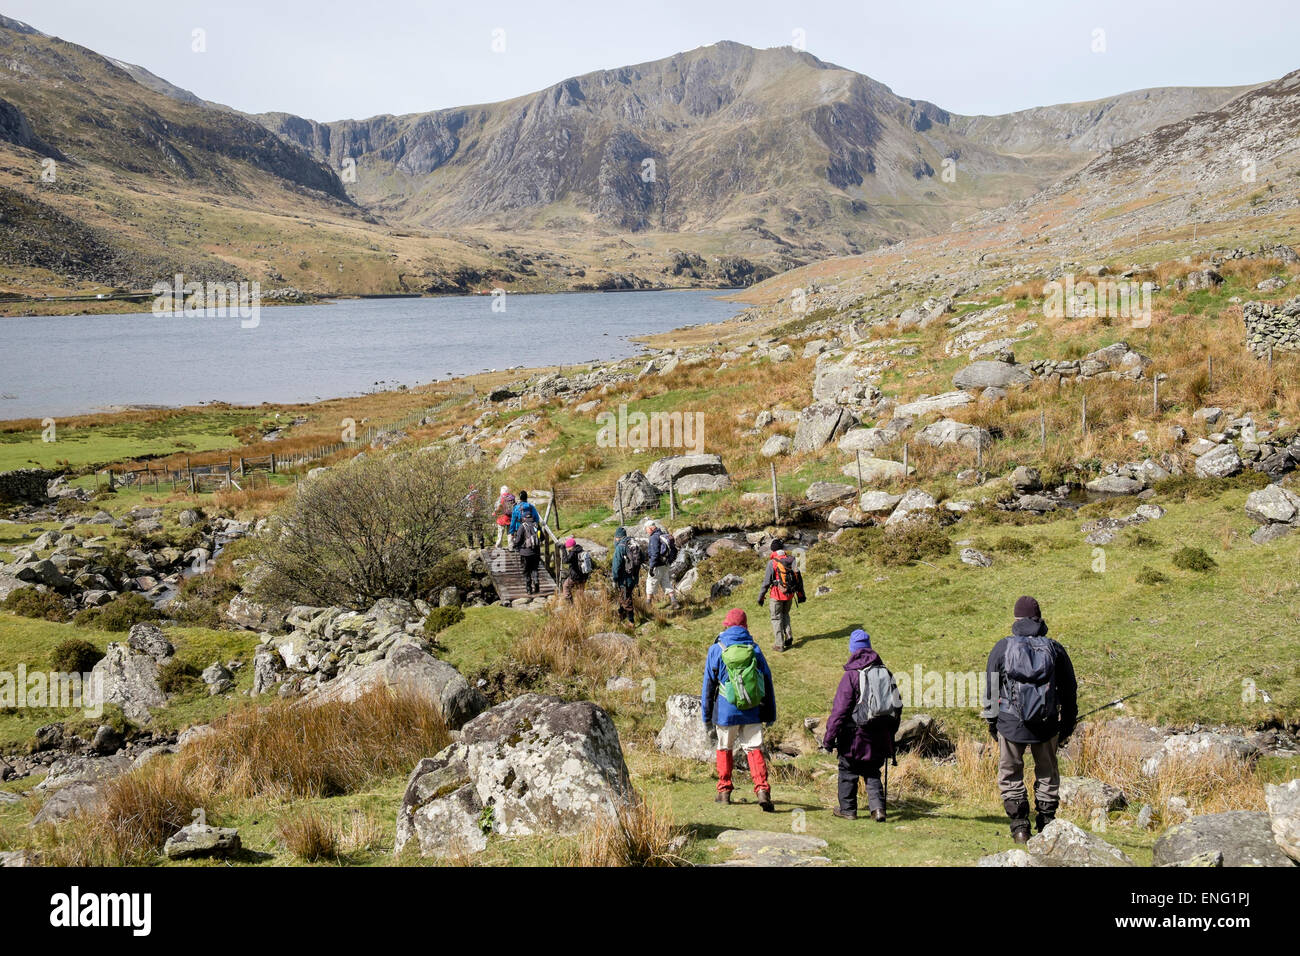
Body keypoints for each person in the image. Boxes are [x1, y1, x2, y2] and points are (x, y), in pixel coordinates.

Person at [983, 595, 1078, 843]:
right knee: (1047, 773)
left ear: (1016, 618)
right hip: (1047, 725)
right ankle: (1046, 825)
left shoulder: (1002, 648)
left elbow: (991, 690)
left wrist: (993, 723)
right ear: (1038, 618)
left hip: (1011, 723)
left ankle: (1020, 829)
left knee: (1010, 774)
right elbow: (1069, 690)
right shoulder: (1055, 649)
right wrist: (1067, 724)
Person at [821, 630, 901, 821]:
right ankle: (878, 809)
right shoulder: (885, 672)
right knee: (873, 771)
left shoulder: (851, 676)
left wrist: (828, 739)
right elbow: (897, 706)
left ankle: (848, 810)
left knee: (848, 770)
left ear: (852, 649)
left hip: (854, 735)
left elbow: (839, 711)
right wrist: (890, 733)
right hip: (879, 734)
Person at [701, 608, 776, 811]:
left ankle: (724, 791)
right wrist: (770, 714)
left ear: (727, 625)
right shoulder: (755, 649)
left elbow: (709, 685)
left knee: (724, 748)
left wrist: (706, 717)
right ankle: (762, 790)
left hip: (726, 712)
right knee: (754, 749)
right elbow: (767, 682)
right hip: (752, 710)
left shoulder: (716, 649)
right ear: (745, 626)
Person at [756, 539, 805, 652]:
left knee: (776, 618)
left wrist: (760, 598)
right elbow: (799, 579)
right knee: (785, 614)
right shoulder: (792, 560)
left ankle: (779, 645)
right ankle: (789, 636)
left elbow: (766, 583)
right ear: (783, 549)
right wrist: (801, 595)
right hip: (789, 595)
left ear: (773, 550)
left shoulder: (772, 563)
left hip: (777, 595)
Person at [610, 526, 642, 623]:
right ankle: (621, 615)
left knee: (626, 599)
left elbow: (616, 565)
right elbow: (642, 559)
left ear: (617, 537)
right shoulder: (633, 543)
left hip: (624, 579)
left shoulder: (620, 547)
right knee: (624, 596)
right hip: (634, 577)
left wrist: (614, 578)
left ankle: (631, 622)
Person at [645, 518, 678, 608]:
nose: (646, 530)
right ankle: (674, 601)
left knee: (650, 582)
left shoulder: (654, 537)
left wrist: (651, 567)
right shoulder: (662, 534)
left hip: (657, 565)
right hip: (665, 564)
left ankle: (648, 605)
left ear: (651, 528)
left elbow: (654, 553)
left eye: (646, 528)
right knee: (665, 582)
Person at [512, 511, 542, 595]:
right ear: (531, 517)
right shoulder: (536, 525)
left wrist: (514, 544)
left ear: (524, 518)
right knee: (534, 569)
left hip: (525, 553)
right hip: (536, 552)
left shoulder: (522, 526)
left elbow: (518, 540)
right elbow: (542, 538)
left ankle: (529, 589)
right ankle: (536, 582)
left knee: (526, 571)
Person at [561, 536, 590, 603]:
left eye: (567, 547)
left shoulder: (573, 552)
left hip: (575, 576)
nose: (567, 548)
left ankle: (570, 604)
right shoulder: (581, 550)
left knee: (565, 586)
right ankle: (581, 608)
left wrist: (563, 550)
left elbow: (565, 561)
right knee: (580, 592)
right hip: (584, 575)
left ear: (570, 546)